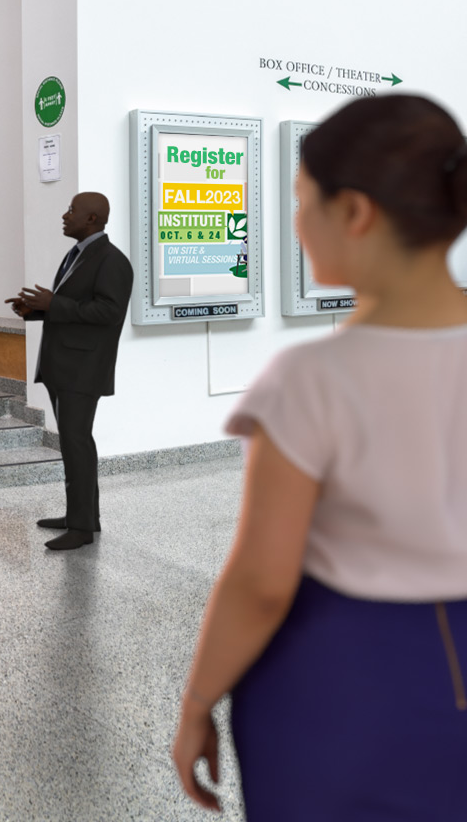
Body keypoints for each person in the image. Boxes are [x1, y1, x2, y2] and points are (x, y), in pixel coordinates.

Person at [170, 95, 467, 815]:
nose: (296, 224)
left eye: (304, 203)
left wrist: (198, 699)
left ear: (356, 213)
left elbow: (263, 580)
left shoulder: (311, 379)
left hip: (348, 676)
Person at [6, 191, 132, 551]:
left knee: (77, 444)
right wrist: (34, 310)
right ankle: (81, 516)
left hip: (83, 369)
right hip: (64, 366)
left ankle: (81, 528)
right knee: (73, 444)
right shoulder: (78, 255)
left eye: (72, 211)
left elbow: (108, 313)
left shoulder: (112, 261)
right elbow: (77, 307)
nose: (65, 215)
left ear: (92, 219)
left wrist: (54, 303)